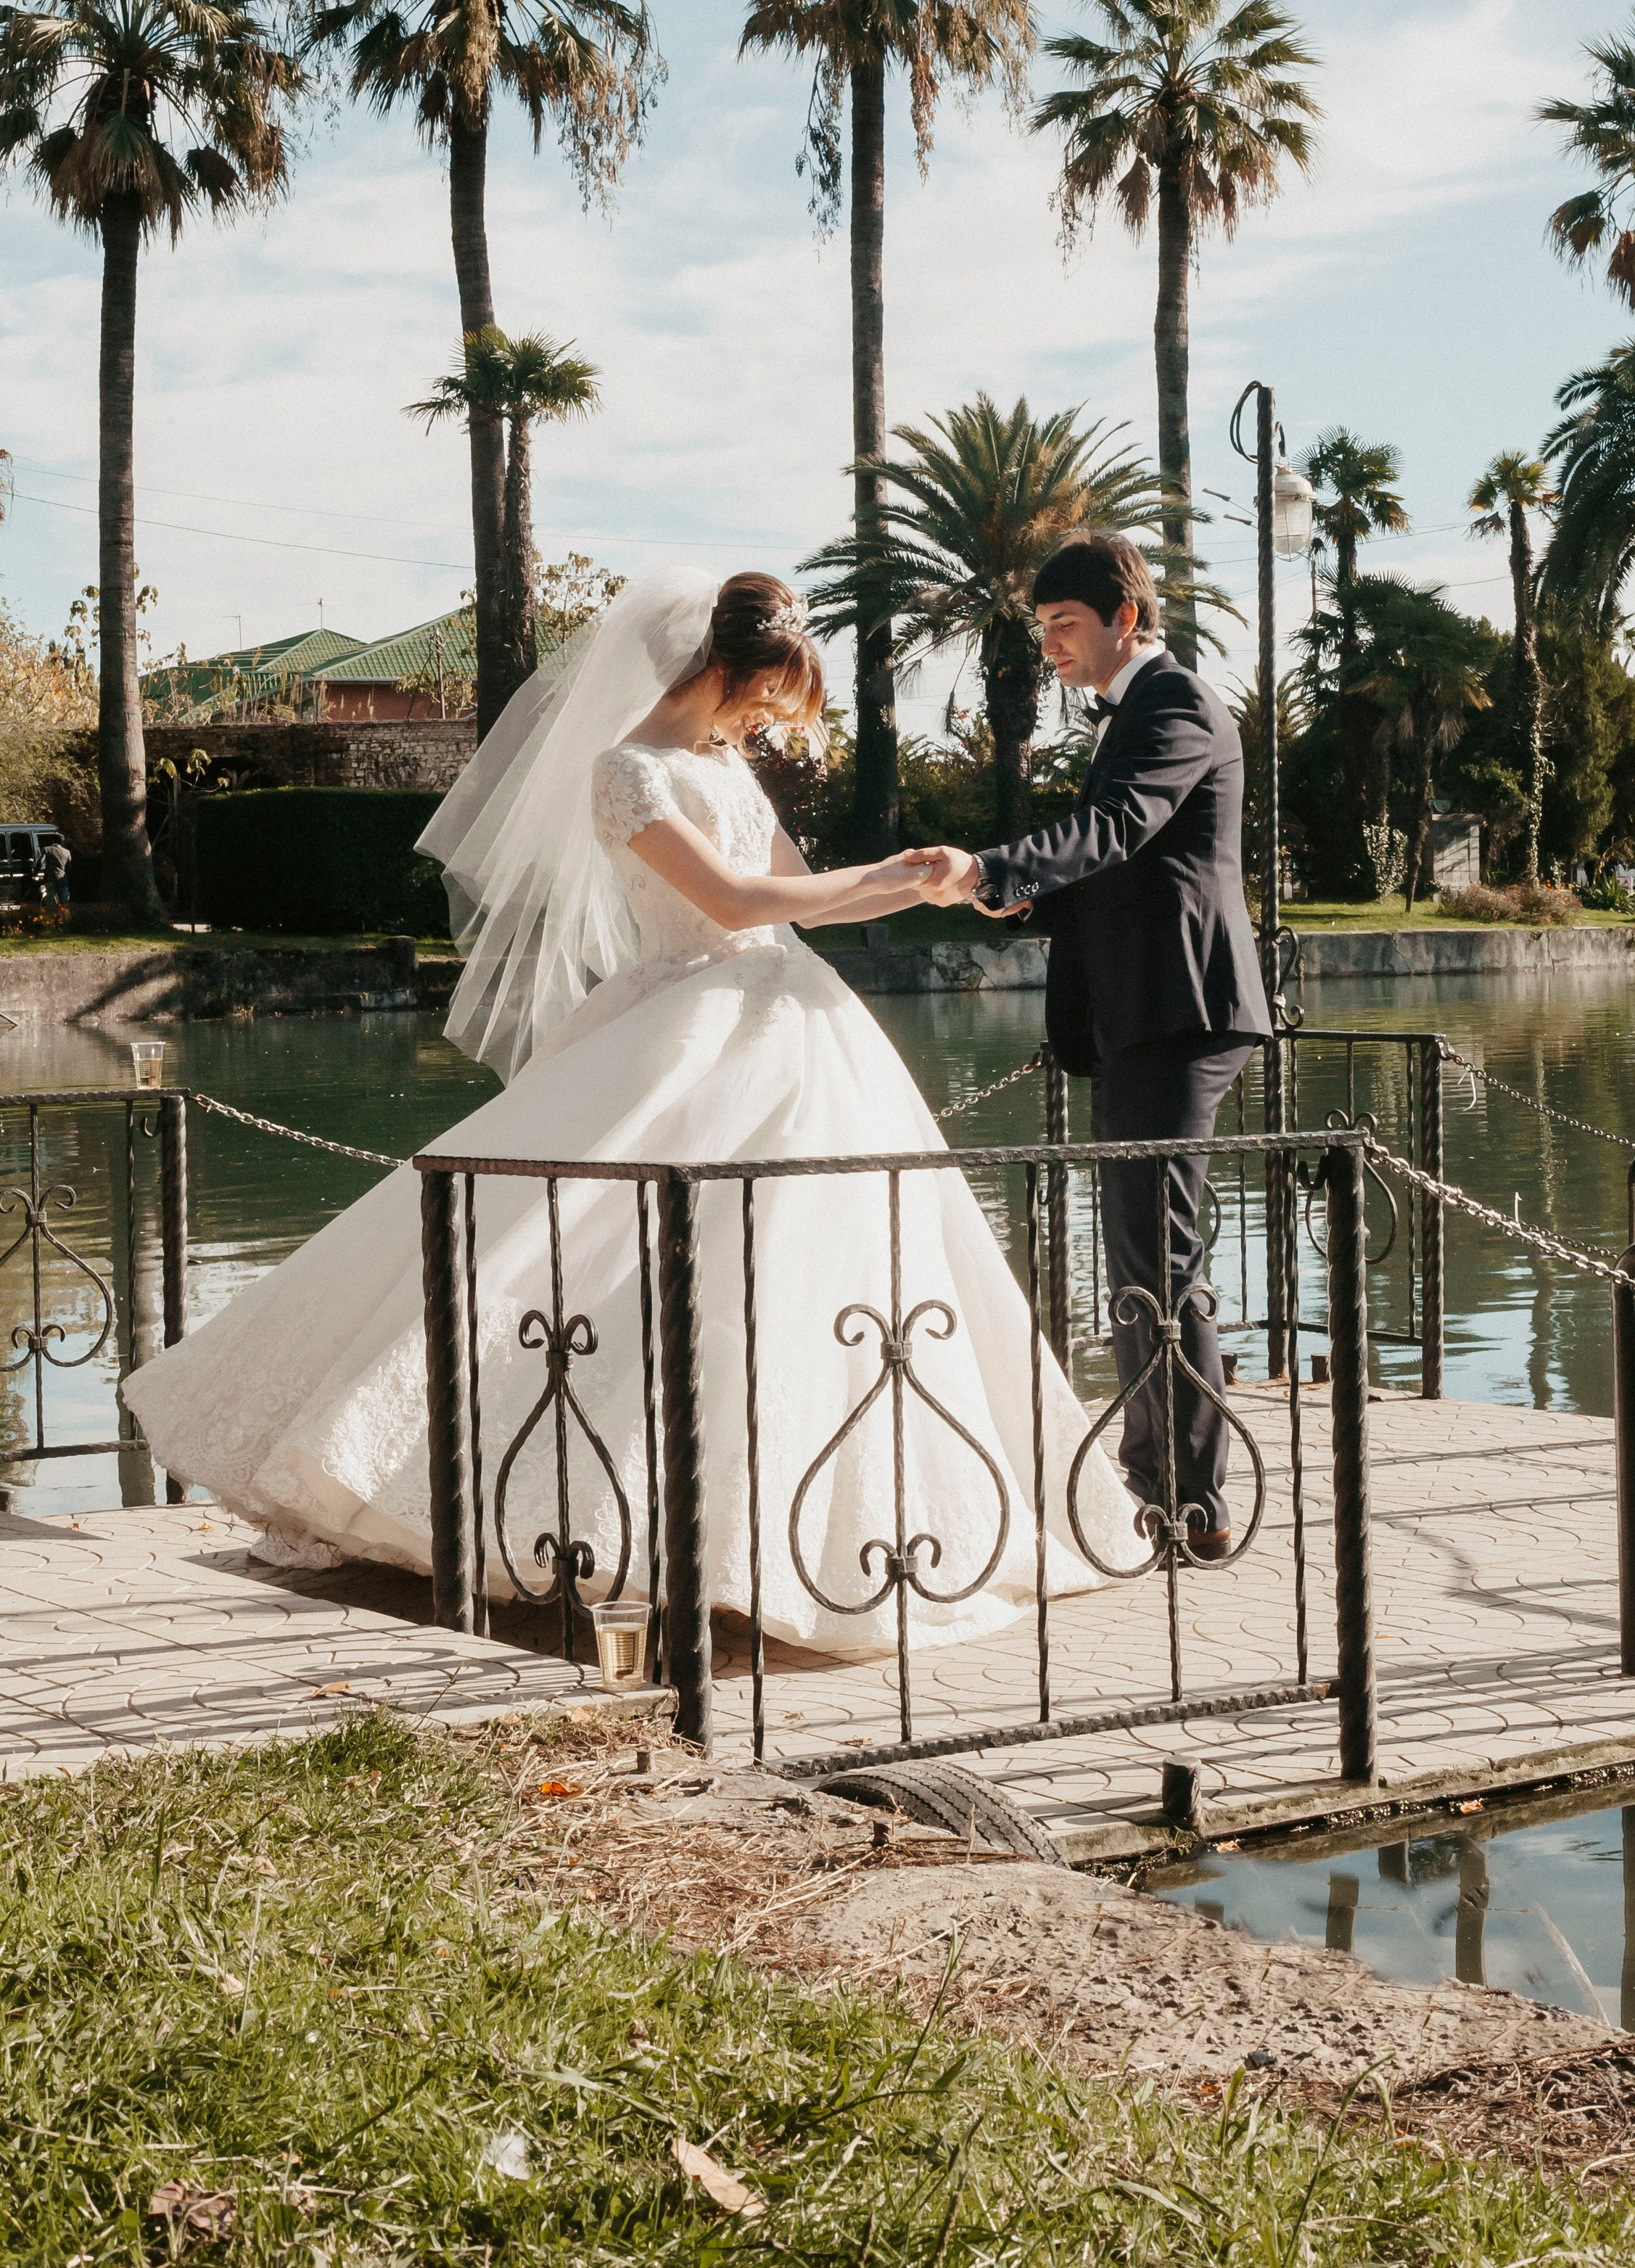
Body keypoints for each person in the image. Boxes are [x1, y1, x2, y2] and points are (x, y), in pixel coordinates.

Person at [123, 570, 1133, 1651]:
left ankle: (816, 1530)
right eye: (765, 690)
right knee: (592, 1255)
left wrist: (934, 877)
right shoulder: (629, 774)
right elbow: (739, 904)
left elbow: (803, 887)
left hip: (798, 1027)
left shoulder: (721, 766)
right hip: (690, 1019)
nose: (766, 715)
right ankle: (582, 1511)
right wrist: (887, 871)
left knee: (822, 1270)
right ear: (718, 667)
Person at [910, 534, 1271, 1559]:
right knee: (1143, 1257)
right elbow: (1120, 865)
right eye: (1045, 631)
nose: (1052, 649)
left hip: (1180, 1010)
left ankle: (1191, 1502)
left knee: (1161, 1257)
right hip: (1140, 1014)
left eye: (1065, 626)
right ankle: (1156, 1483)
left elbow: (1117, 827)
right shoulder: (1136, 713)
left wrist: (992, 866)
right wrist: (1016, 894)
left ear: (1125, 615)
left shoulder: (1178, 704)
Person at [39, 831, 72, 911]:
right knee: (64, 900)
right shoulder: (67, 852)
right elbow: (69, 867)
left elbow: (40, 863)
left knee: (50, 900)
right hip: (62, 880)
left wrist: (35, 873)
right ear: (62, 842)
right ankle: (64, 917)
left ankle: (50, 916)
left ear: (53, 841)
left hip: (50, 879)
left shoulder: (47, 850)